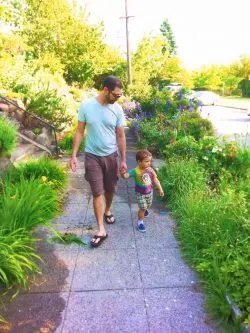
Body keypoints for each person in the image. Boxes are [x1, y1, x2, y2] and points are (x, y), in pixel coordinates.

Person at [70, 75, 127, 247]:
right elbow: (80, 131)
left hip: (111, 156)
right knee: (97, 192)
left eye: (120, 95)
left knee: (110, 190)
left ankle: (107, 210)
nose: (118, 98)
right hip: (92, 156)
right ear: (106, 90)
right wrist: (73, 155)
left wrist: (123, 159)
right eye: (116, 95)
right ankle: (101, 229)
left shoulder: (117, 110)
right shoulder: (86, 106)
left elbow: (120, 135)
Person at [121, 150, 164, 232]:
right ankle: (140, 222)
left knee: (149, 204)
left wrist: (160, 189)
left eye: (150, 161)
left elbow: (155, 180)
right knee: (142, 208)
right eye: (147, 161)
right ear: (139, 162)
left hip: (149, 192)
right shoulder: (135, 171)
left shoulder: (150, 170)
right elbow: (126, 176)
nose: (149, 163)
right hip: (140, 193)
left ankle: (145, 209)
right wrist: (123, 173)